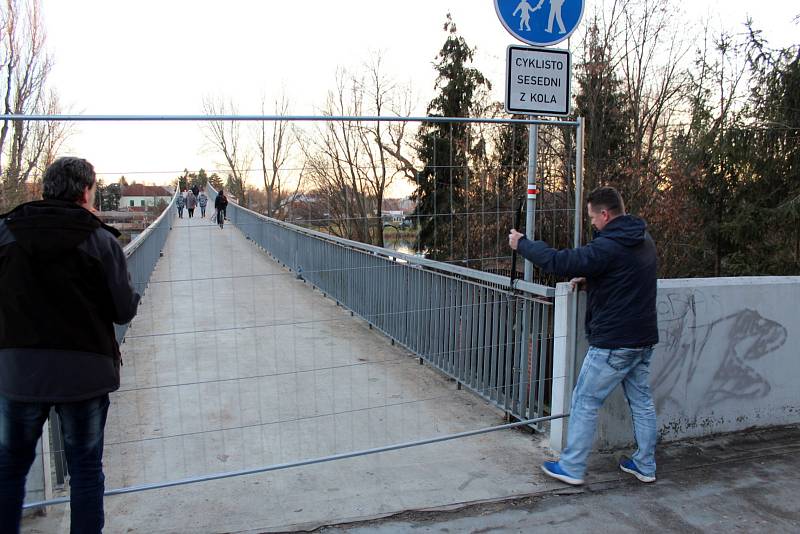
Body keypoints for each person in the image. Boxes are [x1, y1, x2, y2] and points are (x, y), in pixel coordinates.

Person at [0, 157, 141, 533]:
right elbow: (123, 309)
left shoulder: (6, 232)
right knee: (85, 470)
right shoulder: (98, 239)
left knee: (9, 469)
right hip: (84, 374)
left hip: (19, 372)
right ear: (85, 190)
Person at [508, 186, 659, 486]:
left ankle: (573, 466)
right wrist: (592, 278)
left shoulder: (609, 246)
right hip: (643, 337)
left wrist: (522, 244)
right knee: (641, 401)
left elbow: (561, 262)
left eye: (592, 217)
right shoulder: (642, 239)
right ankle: (645, 464)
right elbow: (625, 275)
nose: (591, 223)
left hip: (614, 342)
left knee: (585, 399)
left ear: (605, 214)